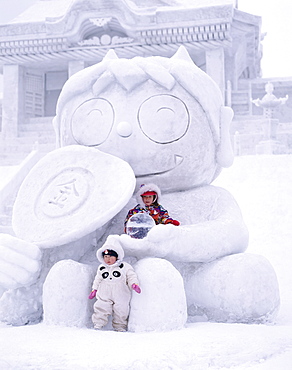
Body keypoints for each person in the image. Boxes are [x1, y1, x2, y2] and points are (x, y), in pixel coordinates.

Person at [89, 235, 141, 332]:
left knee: (121, 309)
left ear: (117, 256)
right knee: (101, 307)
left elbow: (131, 276)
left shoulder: (124, 266)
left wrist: (134, 284)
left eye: (110, 256)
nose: (107, 259)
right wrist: (94, 289)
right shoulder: (102, 268)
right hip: (105, 292)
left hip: (121, 293)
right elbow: (97, 279)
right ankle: (98, 324)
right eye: (105, 257)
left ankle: (120, 326)